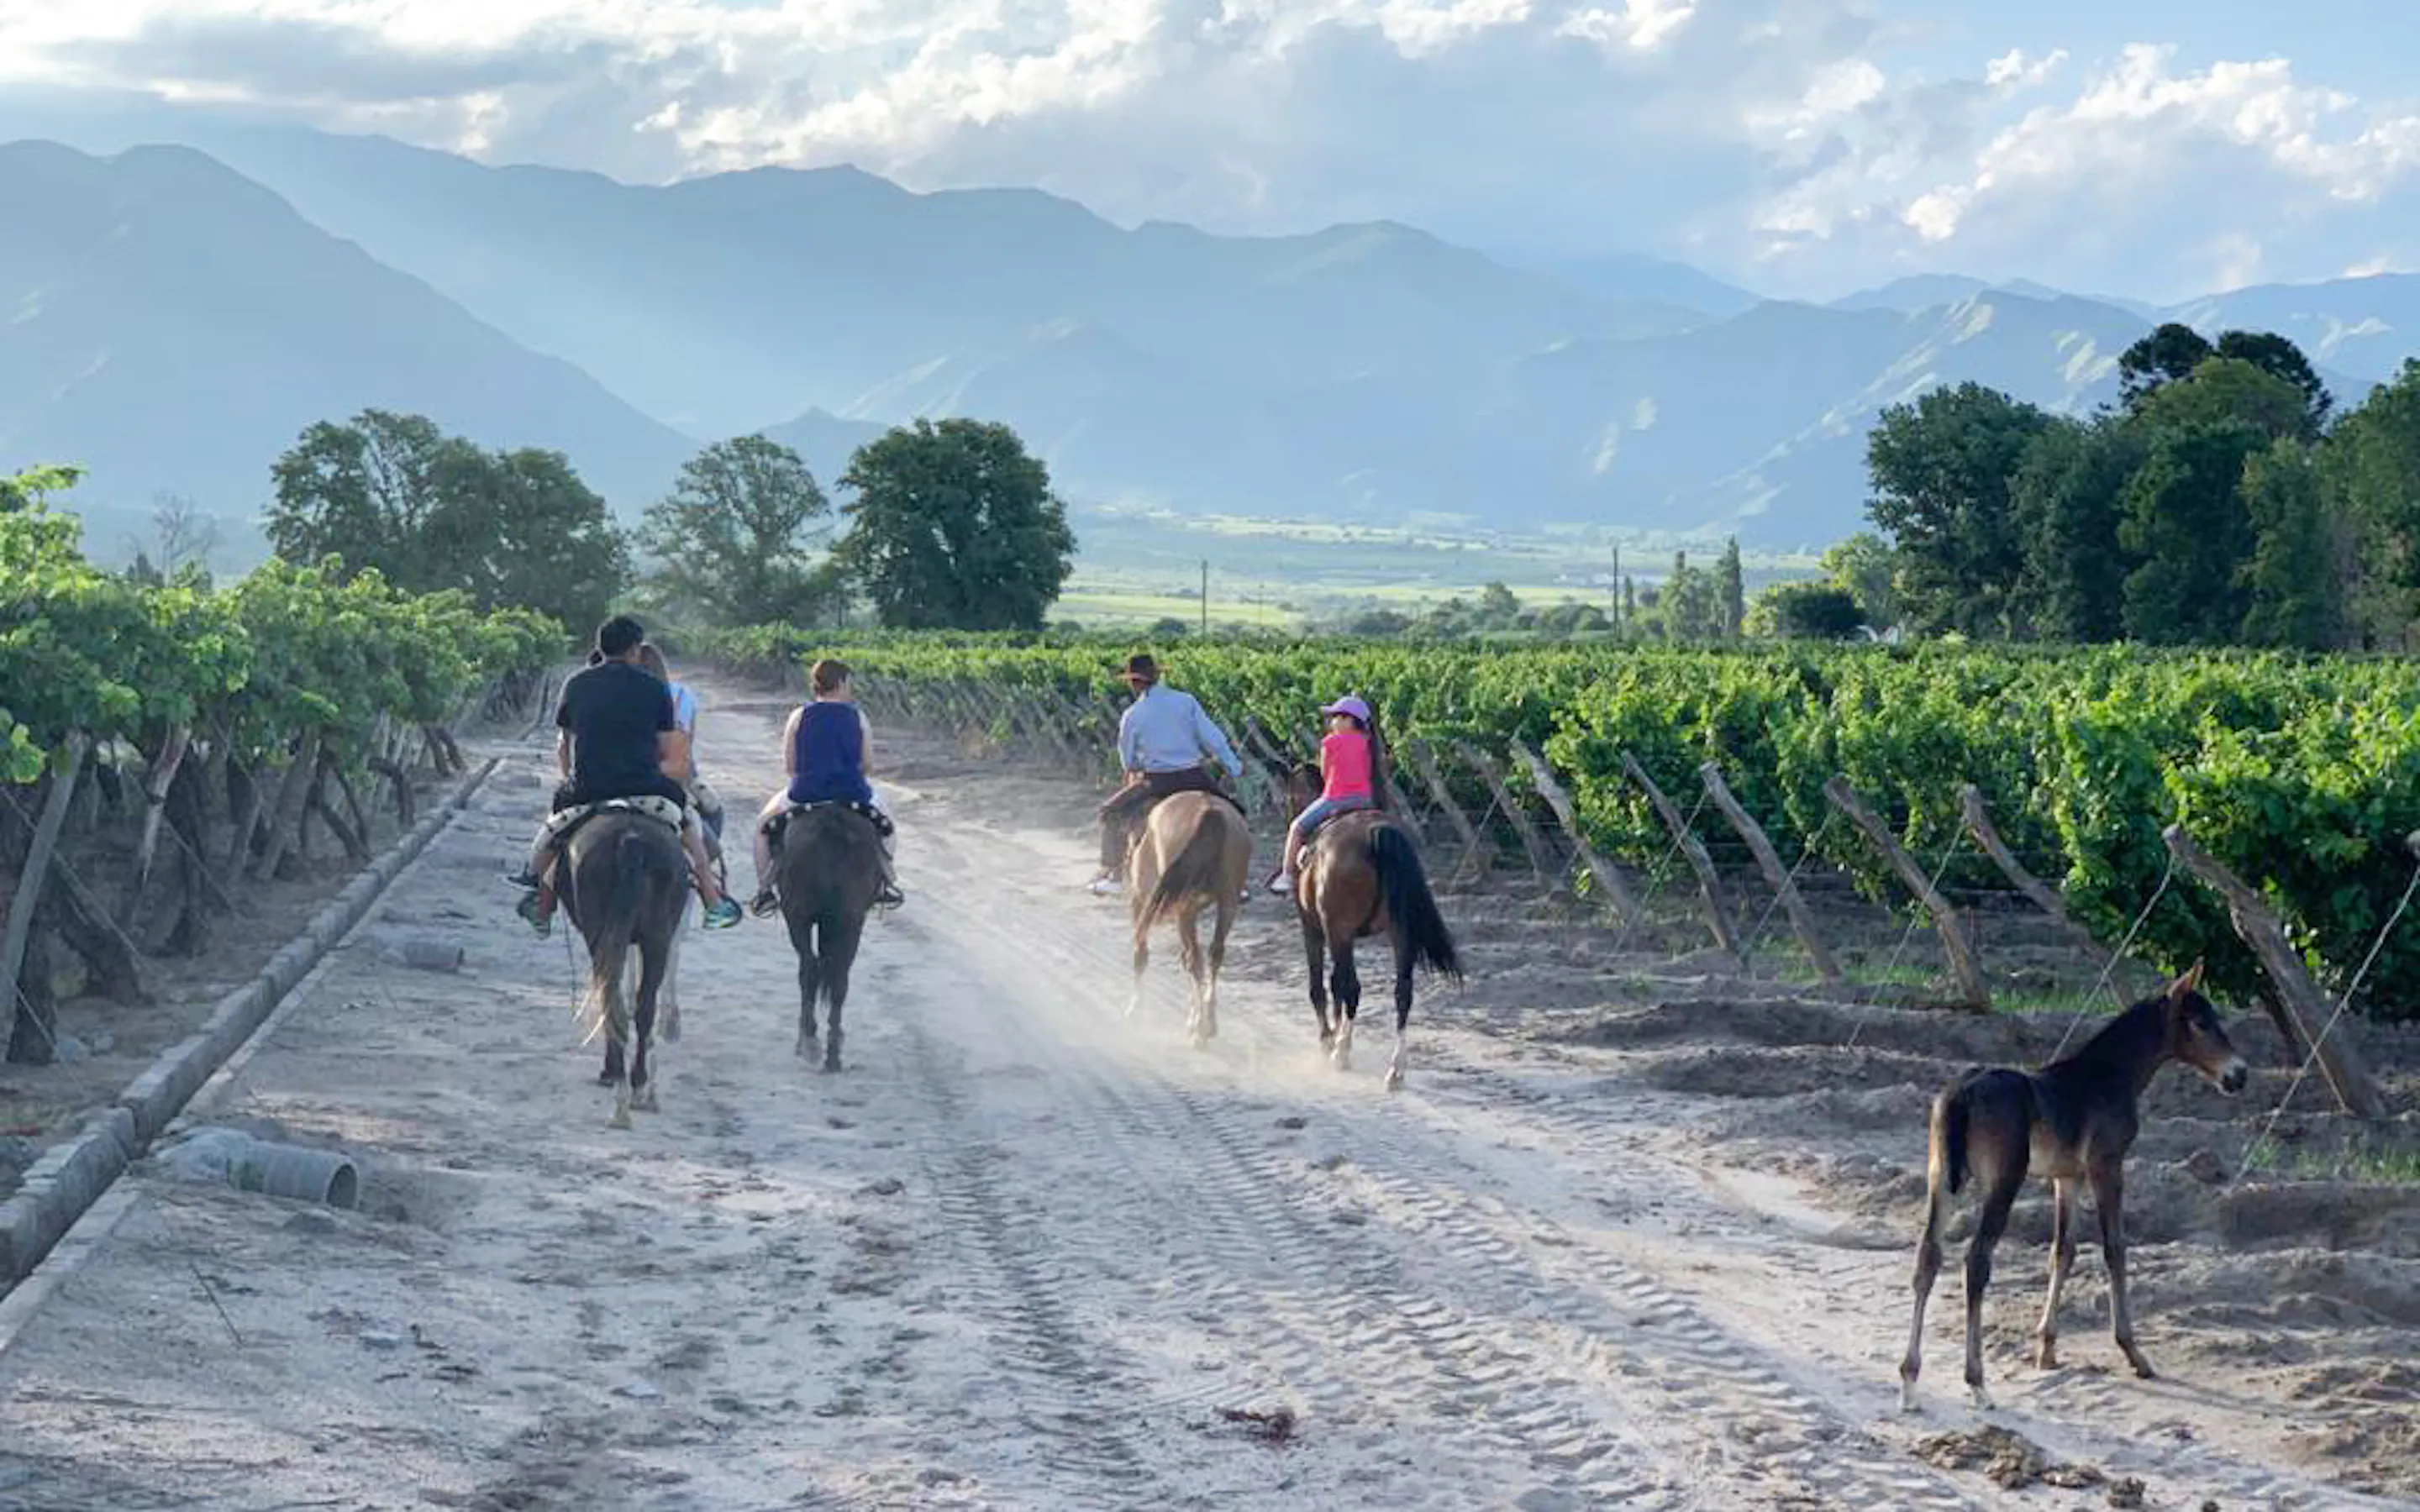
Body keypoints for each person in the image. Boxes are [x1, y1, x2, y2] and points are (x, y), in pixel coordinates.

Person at [509, 615, 743, 936]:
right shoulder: (654, 688)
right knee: (689, 824)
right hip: (647, 786)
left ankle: (541, 899)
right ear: (634, 650)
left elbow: (567, 742)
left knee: (555, 830)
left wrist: (572, 776)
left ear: (600, 648)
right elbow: (664, 744)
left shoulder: (576, 684)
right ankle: (712, 898)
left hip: (589, 787)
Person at [750, 658, 905, 915]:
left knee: (762, 828)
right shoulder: (858, 716)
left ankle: (764, 890)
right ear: (842, 682)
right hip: (852, 792)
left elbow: (789, 765)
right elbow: (867, 764)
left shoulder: (798, 716)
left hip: (805, 793)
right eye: (849, 683)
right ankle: (885, 883)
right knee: (888, 827)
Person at [1089, 652, 1248, 897]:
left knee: (1110, 814)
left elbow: (1128, 758)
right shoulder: (1186, 701)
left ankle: (1115, 876)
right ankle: (1237, 881)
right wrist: (1234, 767)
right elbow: (1213, 738)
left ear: (1136, 682)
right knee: (1236, 813)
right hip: (1195, 776)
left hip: (1157, 780)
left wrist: (1135, 764)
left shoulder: (1133, 714)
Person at [1267, 695, 1389, 894]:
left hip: (1335, 799)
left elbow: (1325, 773)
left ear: (1349, 720)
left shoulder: (1330, 742)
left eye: (1336, 718)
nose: (1332, 723)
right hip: (1366, 800)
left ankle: (1287, 875)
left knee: (1297, 828)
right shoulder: (1369, 743)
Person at [638, 642, 725, 858]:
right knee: (714, 812)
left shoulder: (622, 697)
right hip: (678, 776)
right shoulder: (682, 696)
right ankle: (704, 868)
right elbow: (689, 742)